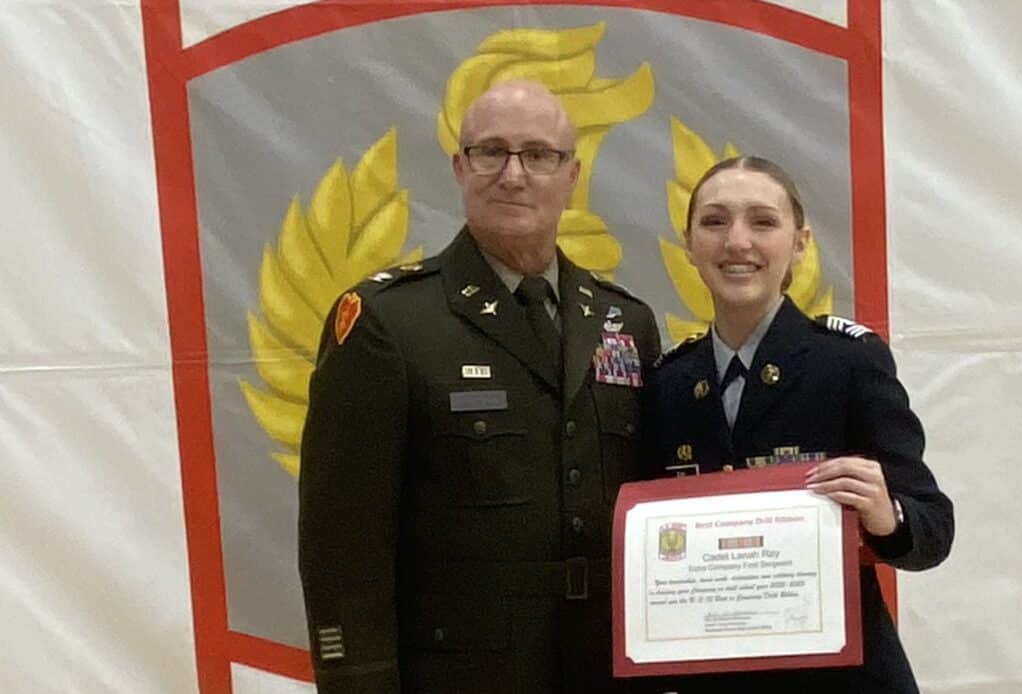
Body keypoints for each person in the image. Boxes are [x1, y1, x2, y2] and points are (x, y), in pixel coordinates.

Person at [298, 80, 661, 693]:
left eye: (539, 155)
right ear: (459, 167)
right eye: (491, 152)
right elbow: (342, 542)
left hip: (603, 670)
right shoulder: (390, 321)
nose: (513, 175)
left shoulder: (623, 320)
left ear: (572, 176)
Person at [645, 156, 953, 693]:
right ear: (689, 244)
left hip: (840, 679)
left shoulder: (848, 363)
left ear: (800, 243)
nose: (737, 241)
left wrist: (886, 514)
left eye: (763, 221)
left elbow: (934, 529)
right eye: (714, 222)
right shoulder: (667, 383)